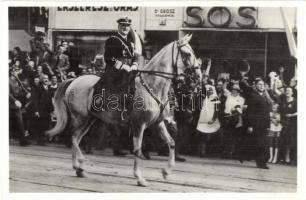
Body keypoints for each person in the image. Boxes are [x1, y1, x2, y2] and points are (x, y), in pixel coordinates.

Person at [239, 77, 272, 169]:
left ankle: (260, 161)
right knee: (259, 144)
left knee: (263, 143)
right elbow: (250, 111)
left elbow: (267, 113)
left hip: (264, 124)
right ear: (256, 86)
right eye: (259, 84)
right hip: (256, 124)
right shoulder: (252, 95)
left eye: (263, 84)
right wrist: (250, 125)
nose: (262, 86)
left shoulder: (266, 96)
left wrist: (268, 125)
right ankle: (261, 162)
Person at [223, 83, 245, 158]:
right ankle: (226, 151)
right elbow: (224, 88)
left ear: (239, 91)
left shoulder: (241, 99)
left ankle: (232, 152)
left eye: (236, 90)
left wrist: (235, 109)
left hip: (235, 118)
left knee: (234, 135)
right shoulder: (229, 95)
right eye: (233, 89)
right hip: (227, 116)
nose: (234, 91)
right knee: (227, 135)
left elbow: (241, 109)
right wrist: (226, 81)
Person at [9, 71, 31, 146]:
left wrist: (26, 93)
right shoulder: (7, 81)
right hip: (9, 104)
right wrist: (15, 101)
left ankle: (23, 141)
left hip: (16, 105)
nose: (17, 73)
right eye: (15, 72)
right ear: (12, 73)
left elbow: (20, 90)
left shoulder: (16, 81)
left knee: (20, 122)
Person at [32, 74, 54, 145]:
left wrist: (52, 110)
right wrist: (36, 111)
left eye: (47, 78)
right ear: (41, 80)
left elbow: (50, 100)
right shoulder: (38, 88)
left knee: (46, 125)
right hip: (40, 110)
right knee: (40, 125)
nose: (46, 79)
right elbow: (35, 100)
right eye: (44, 78)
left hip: (47, 110)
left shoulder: (49, 88)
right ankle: (40, 140)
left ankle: (42, 139)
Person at [280, 87, 297, 164]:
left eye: (289, 91)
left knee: (291, 141)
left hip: (292, 124)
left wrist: (291, 115)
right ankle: (284, 157)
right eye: (286, 90)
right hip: (284, 124)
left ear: (292, 92)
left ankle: (290, 157)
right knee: (284, 141)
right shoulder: (283, 101)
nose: (287, 92)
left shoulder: (296, 101)